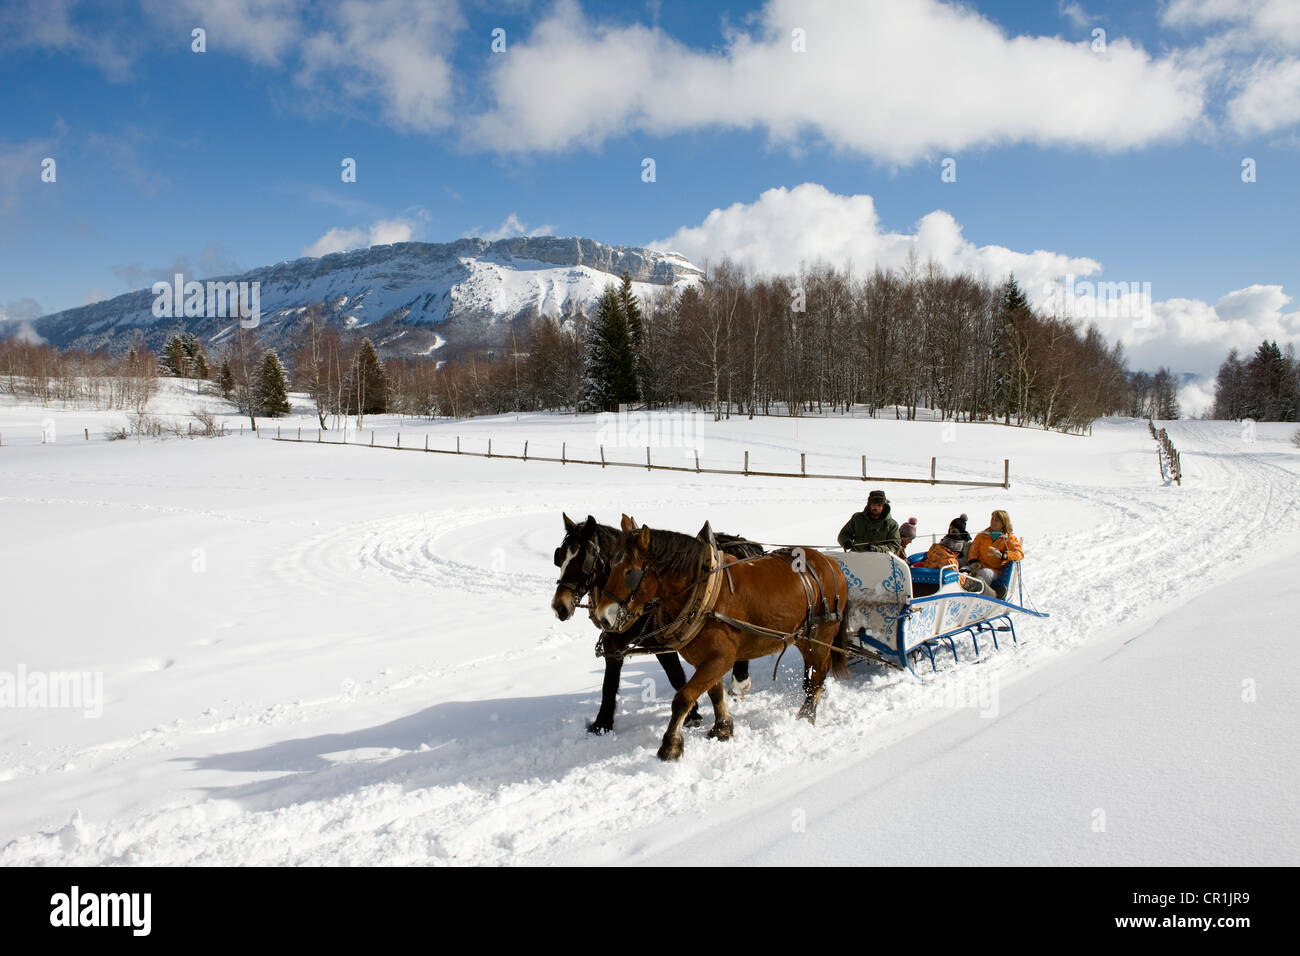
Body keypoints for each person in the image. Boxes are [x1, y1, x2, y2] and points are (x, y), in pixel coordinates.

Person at [963, 510, 1023, 598]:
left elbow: (1019, 554)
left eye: (997, 520)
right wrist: (973, 562)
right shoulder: (981, 536)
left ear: (1003, 523)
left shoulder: (1009, 538)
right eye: (992, 519)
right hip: (979, 566)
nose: (993, 522)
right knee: (962, 570)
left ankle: (981, 596)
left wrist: (1004, 555)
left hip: (995, 570)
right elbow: (973, 551)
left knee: (985, 573)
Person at [921, 514, 984, 591]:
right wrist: (965, 575)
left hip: (934, 577)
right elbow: (956, 578)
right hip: (948, 581)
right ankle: (991, 597)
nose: (952, 531)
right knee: (980, 581)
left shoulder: (935, 549)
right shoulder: (950, 561)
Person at [837, 489, 901, 554]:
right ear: (869, 505)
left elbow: (895, 546)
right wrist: (846, 542)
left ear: (884, 506)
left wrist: (877, 549)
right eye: (873, 504)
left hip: (881, 560)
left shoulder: (892, 524)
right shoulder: (857, 518)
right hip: (856, 556)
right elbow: (843, 534)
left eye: (879, 505)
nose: (875, 507)